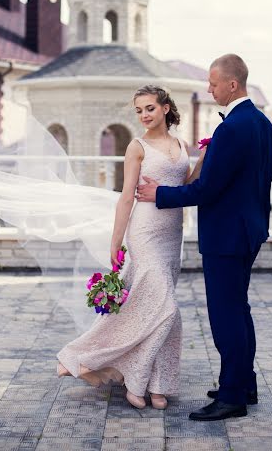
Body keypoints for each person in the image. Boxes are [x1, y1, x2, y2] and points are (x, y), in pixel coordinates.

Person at [137, 54, 272, 421]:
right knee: (239, 310)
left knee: (226, 315)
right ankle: (243, 383)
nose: (209, 89)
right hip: (249, 229)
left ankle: (232, 397)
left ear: (233, 85)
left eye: (213, 84)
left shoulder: (232, 128)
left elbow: (206, 190)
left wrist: (160, 196)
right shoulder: (261, 122)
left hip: (228, 235)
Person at [57, 85, 201, 410]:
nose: (144, 115)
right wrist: (116, 240)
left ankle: (158, 385)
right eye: (139, 110)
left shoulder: (180, 144)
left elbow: (188, 186)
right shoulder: (137, 147)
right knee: (166, 311)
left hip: (172, 234)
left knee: (147, 307)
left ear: (165, 108)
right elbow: (126, 197)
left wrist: (205, 157)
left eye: (149, 108)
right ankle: (128, 376)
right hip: (145, 231)